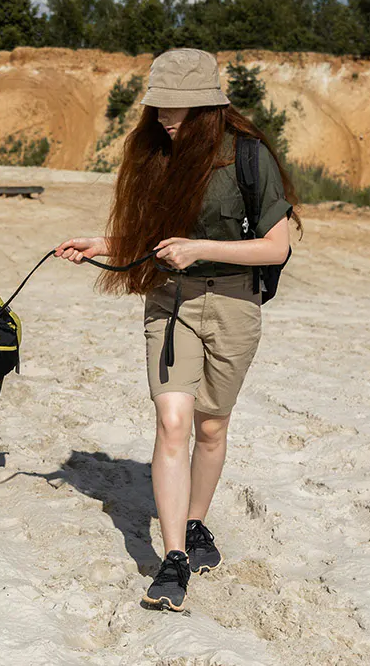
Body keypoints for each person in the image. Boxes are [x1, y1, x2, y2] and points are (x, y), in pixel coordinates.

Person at [54, 48, 299, 611]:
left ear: (208, 108)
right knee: (172, 423)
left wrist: (200, 248)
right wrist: (105, 244)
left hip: (235, 304)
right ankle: (173, 557)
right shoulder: (152, 154)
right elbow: (155, 240)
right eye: (159, 105)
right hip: (170, 302)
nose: (164, 116)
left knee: (211, 427)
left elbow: (275, 248)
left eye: (178, 106)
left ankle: (195, 521)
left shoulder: (248, 156)